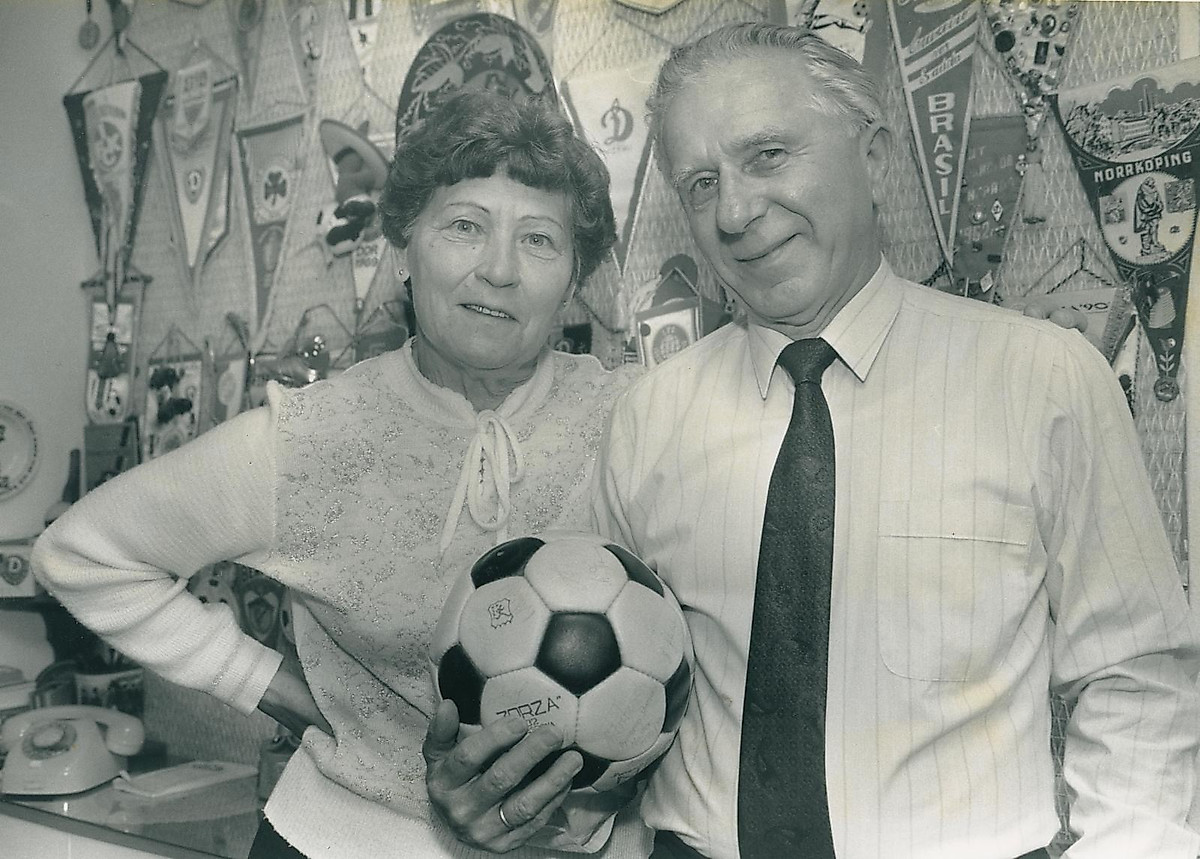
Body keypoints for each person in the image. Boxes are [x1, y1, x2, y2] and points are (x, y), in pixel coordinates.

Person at [589, 22, 1200, 859]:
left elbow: (1137, 681)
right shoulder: (644, 420)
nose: (734, 211)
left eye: (768, 155)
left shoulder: (1046, 379)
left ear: (873, 157)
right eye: (702, 184)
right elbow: (606, 698)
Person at [32, 90, 650, 859]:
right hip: (338, 840)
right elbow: (80, 554)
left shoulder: (635, 417)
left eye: (539, 239)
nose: (498, 269)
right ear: (402, 247)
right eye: (465, 226)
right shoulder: (314, 436)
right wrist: (269, 686)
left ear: (575, 275)